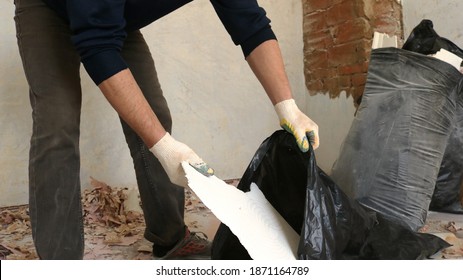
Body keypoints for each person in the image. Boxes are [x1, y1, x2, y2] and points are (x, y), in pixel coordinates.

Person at [13, 0, 320, 260]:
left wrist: (287, 107)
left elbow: (250, 23)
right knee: (59, 125)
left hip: (111, 19)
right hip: (48, 8)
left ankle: (170, 238)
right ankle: (59, 263)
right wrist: (163, 147)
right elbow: (96, 46)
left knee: (154, 114)